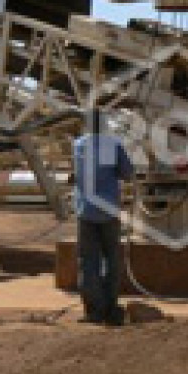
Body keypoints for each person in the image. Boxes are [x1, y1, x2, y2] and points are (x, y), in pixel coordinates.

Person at [72, 108, 134, 326]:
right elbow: (127, 173)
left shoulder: (78, 145)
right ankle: (111, 308)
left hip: (85, 211)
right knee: (111, 259)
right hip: (108, 210)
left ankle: (94, 309)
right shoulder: (113, 145)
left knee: (88, 261)